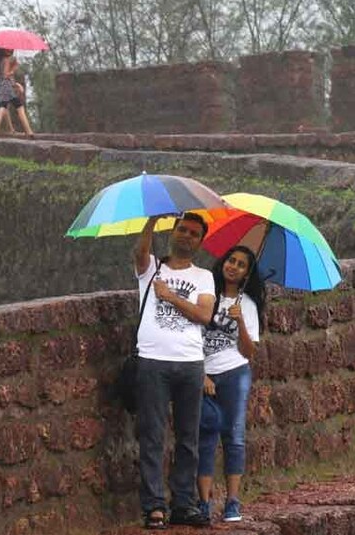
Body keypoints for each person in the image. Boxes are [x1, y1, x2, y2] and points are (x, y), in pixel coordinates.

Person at [133, 213, 216, 529]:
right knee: (153, 436)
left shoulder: (203, 277)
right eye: (182, 229)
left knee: (187, 438)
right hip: (153, 361)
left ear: (200, 241)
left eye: (194, 233)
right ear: (173, 232)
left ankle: (184, 504)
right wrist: (152, 221)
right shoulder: (152, 268)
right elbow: (139, 254)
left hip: (190, 363)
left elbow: (204, 314)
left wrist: (170, 296)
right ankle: (154, 505)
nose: (186, 236)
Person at [197, 245, 265, 523]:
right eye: (230, 260)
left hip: (234, 373)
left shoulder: (247, 305)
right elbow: (190, 338)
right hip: (204, 374)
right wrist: (201, 375)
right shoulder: (205, 297)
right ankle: (203, 502)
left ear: (247, 273)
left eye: (241, 264)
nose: (233, 266)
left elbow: (249, 352)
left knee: (234, 437)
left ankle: (233, 502)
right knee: (205, 438)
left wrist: (242, 324)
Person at [0, 49, 34, 136]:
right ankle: (29, 131)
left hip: (5, 86)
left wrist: (16, 84)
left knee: (5, 108)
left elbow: (7, 78)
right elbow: (5, 75)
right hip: (6, 87)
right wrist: (13, 70)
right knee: (18, 107)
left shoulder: (4, 60)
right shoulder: (7, 60)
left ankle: (10, 130)